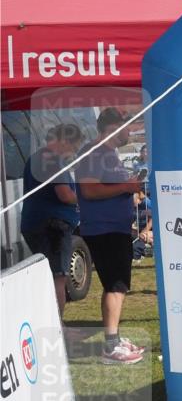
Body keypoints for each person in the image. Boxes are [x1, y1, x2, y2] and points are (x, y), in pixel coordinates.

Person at [76, 108, 146, 364]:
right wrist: (126, 186)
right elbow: (90, 190)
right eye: (127, 126)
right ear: (114, 127)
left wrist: (128, 187)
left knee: (117, 285)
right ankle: (110, 346)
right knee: (116, 284)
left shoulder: (107, 154)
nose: (130, 131)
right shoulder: (95, 152)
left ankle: (113, 340)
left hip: (113, 228)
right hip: (104, 229)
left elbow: (105, 187)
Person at [20, 124, 84, 323]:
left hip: (36, 223)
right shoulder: (54, 161)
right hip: (53, 227)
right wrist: (85, 198)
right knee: (58, 277)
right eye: (74, 147)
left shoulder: (36, 158)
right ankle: (57, 328)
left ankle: (49, 323)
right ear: (64, 141)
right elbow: (64, 195)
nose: (73, 152)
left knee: (48, 276)